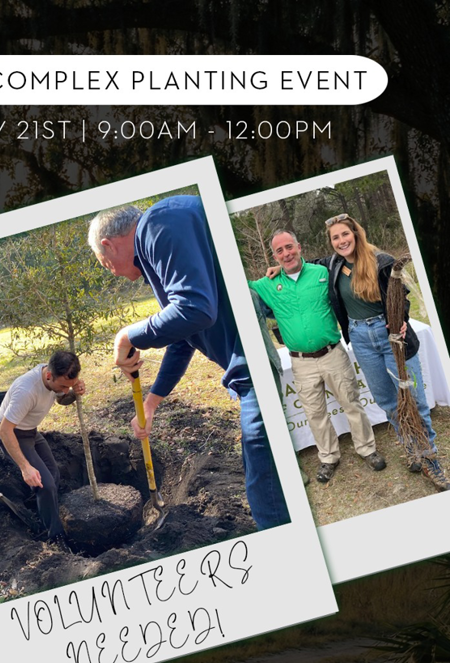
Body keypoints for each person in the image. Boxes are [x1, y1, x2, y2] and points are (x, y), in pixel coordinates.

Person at [88, 196, 289, 531]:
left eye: (103, 262)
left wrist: (128, 335)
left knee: (266, 495)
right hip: (247, 371)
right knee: (264, 477)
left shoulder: (160, 222)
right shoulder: (160, 245)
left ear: (108, 245)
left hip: (251, 368)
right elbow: (186, 335)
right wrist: (151, 402)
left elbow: (195, 309)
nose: (109, 269)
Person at [320, 214, 449, 491]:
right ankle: (412, 449)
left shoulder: (382, 261)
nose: (341, 241)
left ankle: (430, 458)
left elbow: (401, 295)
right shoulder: (334, 264)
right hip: (360, 339)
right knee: (387, 401)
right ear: (331, 243)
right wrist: (276, 268)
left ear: (355, 233)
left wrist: (401, 319)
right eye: (335, 237)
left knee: (414, 399)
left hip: (390, 336)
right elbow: (304, 264)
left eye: (345, 234)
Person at [249, 230, 386, 484]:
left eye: (289, 247)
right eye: (279, 251)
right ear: (274, 256)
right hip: (301, 362)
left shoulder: (322, 273)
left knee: (352, 403)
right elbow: (239, 287)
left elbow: (348, 266)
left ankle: (367, 448)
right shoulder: (267, 285)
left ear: (299, 247)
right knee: (315, 413)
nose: (286, 254)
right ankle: (329, 457)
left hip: (333, 354)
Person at [0, 351, 85, 547]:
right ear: (48, 375)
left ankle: (42, 506)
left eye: (68, 385)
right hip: (13, 435)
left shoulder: (56, 377)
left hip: (31, 432)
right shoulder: (26, 391)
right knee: (46, 484)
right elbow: (4, 431)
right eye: (62, 385)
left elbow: (61, 398)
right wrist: (25, 467)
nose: (64, 389)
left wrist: (72, 393)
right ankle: (54, 536)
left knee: (53, 474)